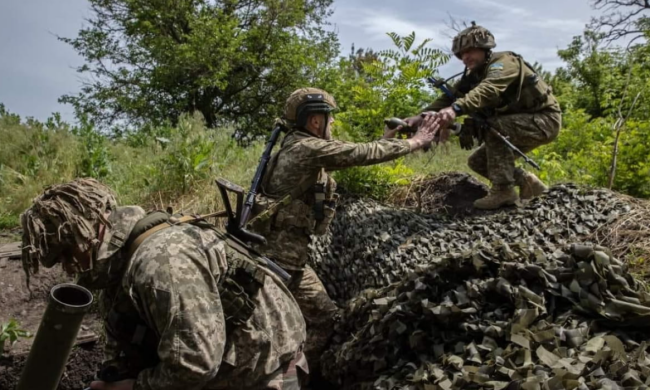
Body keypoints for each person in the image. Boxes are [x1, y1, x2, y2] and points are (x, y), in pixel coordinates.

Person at [20, 178, 308, 390]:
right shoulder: (121, 263)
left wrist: (133, 388)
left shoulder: (160, 263)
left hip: (264, 376)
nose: (68, 267)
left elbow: (196, 363)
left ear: (88, 232)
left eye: (67, 254)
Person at [247, 87, 440, 372]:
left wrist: (385, 140)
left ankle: (295, 374)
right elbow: (358, 153)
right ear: (315, 121)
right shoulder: (306, 148)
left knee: (326, 318)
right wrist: (416, 141)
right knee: (278, 327)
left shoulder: (297, 146)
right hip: (279, 263)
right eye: (330, 118)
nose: (333, 123)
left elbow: (352, 155)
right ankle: (279, 374)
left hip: (289, 259)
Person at [404, 22, 562, 210]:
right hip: (522, 123)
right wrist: (418, 118)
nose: (465, 57)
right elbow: (447, 99)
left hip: (545, 120)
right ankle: (527, 181)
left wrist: (456, 109)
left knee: (496, 127)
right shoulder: (473, 76)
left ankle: (504, 190)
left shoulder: (504, 63)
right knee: (478, 162)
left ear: (484, 48)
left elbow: (488, 90)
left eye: (469, 51)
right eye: (461, 54)